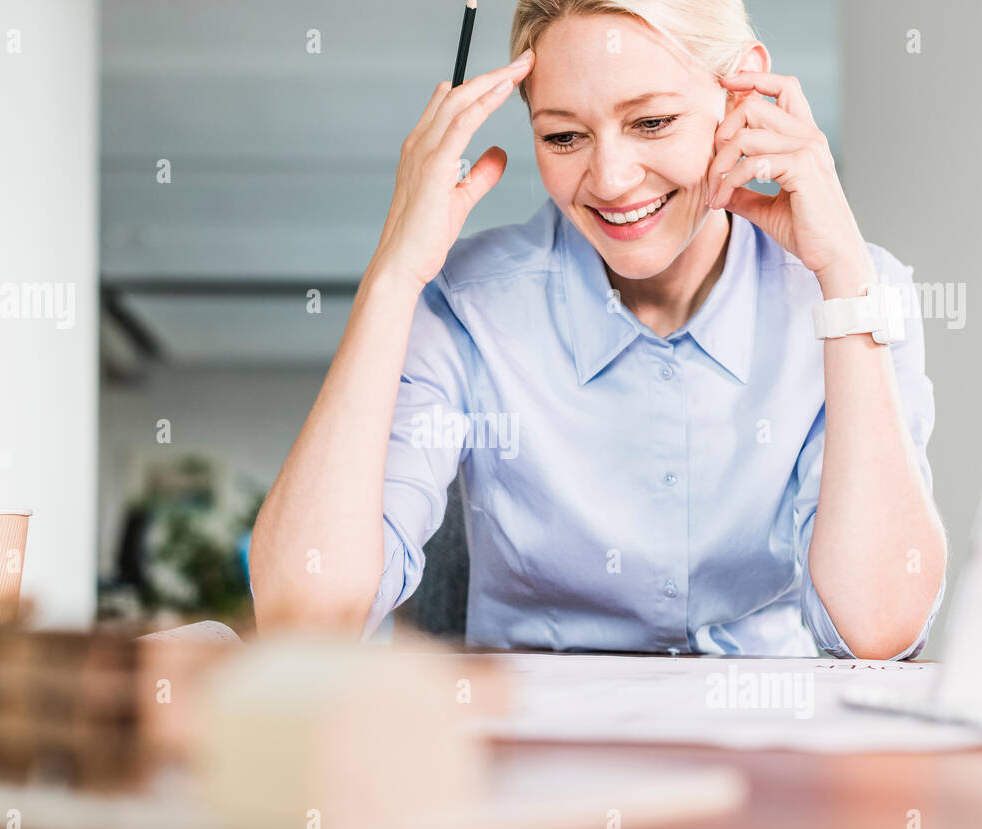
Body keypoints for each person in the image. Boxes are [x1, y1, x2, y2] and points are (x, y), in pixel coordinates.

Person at [250, 0, 946, 659]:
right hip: (534, 768)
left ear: (742, 96)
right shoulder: (467, 304)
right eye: (563, 135)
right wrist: (392, 275)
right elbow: (303, 622)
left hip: (767, 760)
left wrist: (844, 280)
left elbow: (878, 627)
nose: (611, 179)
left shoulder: (850, 288)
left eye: (651, 123)